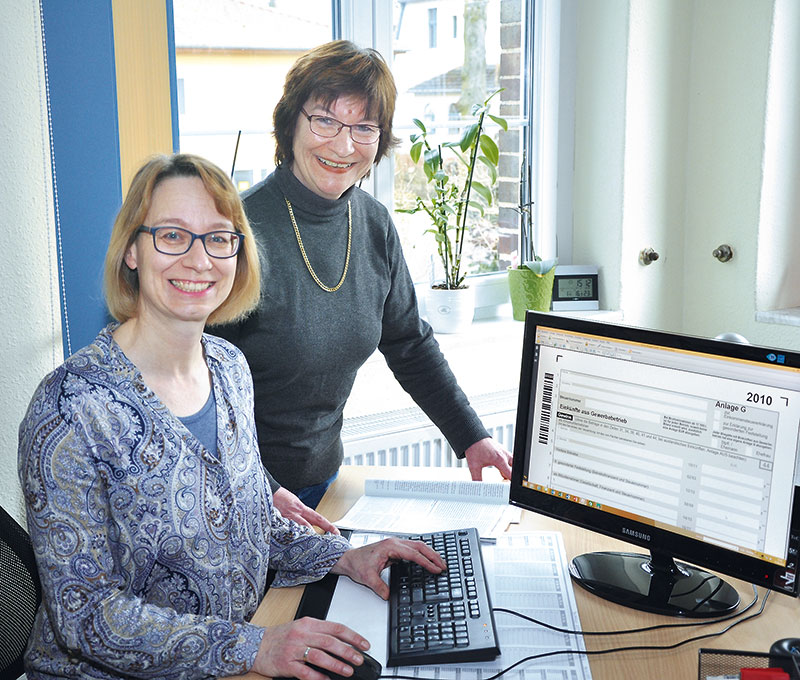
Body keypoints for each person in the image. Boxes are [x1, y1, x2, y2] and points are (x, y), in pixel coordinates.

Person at [17, 153, 446, 680]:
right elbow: (85, 617)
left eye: (219, 238)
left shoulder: (229, 367)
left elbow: (250, 521)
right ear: (131, 249)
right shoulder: (70, 409)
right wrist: (254, 647)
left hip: (233, 656)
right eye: (172, 236)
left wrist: (342, 556)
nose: (199, 260)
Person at [214, 40, 513, 535]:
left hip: (326, 486)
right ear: (290, 123)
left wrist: (472, 437)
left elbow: (409, 344)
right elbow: (195, 395)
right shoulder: (236, 232)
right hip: (241, 496)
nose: (344, 145)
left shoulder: (373, 224)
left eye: (364, 128)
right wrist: (262, 491)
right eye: (325, 121)